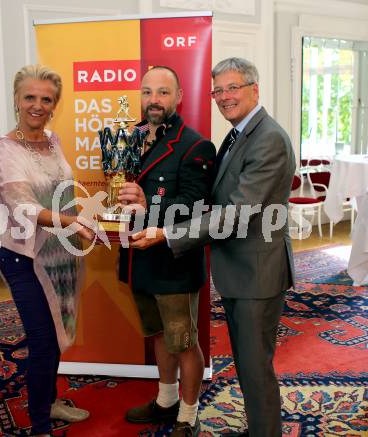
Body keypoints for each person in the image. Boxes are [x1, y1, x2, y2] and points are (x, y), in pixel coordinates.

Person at [130, 58, 296, 437]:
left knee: (256, 370)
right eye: (218, 90)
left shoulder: (267, 138)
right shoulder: (240, 133)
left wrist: (167, 234)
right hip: (241, 269)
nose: (224, 96)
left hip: (258, 273)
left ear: (255, 89)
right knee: (248, 366)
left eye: (233, 87)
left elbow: (236, 213)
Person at [0, 64, 93, 437]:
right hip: (23, 255)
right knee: (43, 340)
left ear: (55, 104)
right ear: (16, 99)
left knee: (57, 331)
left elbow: (64, 192)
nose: (38, 105)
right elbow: (22, 206)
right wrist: (72, 224)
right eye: (30, 97)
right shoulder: (4, 149)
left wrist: (84, 220)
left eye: (46, 99)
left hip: (59, 252)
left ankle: (49, 403)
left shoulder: (53, 140)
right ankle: (41, 425)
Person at [118, 66, 216, 437]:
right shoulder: (132, 138)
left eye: (162, 92)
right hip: (139, 258)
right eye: (147, 92)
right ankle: (166, 400)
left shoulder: (195, 145)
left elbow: (196, 206)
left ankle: (188, 415)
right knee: (158, 335)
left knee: (184, 342)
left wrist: (147, 204)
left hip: (174, 263)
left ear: (178, 97)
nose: (153, 100)